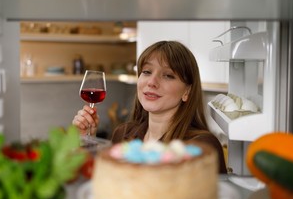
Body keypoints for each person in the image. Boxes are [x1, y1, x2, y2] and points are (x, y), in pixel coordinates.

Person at [72, 40, 227, 174]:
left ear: (187, 91)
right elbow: (104, 183)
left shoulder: (202, 146)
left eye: (168, 75)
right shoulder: (123, 133)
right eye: (146, 72)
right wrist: (86, 139)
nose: (152, 82)